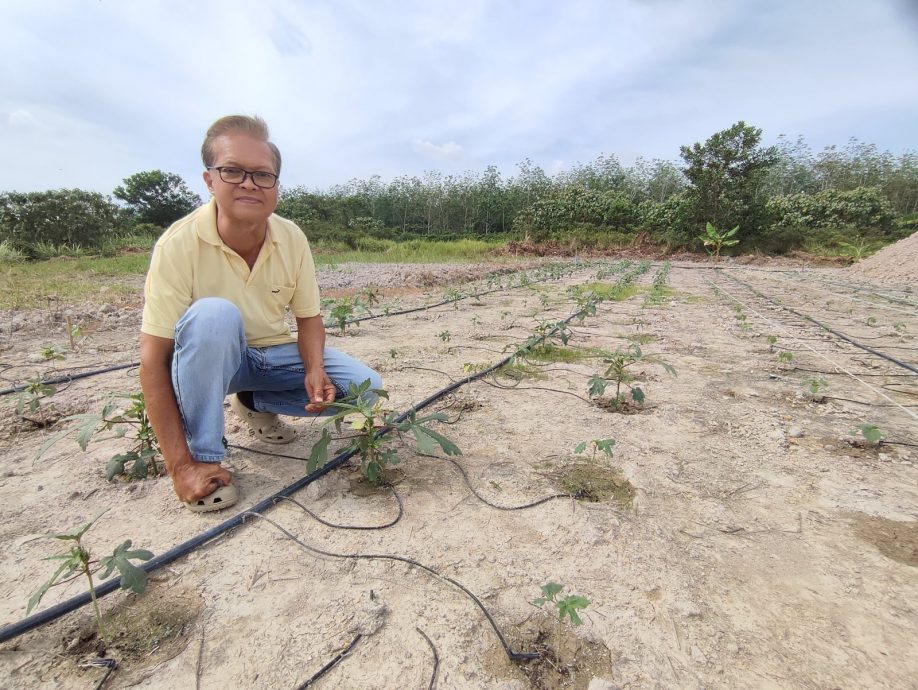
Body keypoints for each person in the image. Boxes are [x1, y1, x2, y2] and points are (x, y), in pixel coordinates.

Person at [139, 115, 380, 512]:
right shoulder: (178, 245)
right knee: (213, 316)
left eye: (262, 175)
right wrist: (178, 464)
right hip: (213, 365)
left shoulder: (291, 237)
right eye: (233, 171)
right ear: (210, 180)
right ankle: (203, 458)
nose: (249, 183)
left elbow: (308, 318)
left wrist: (314, 368)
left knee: (365, 389)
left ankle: (253, 400)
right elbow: (152, 358)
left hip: (269, 358)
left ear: (276, 186)